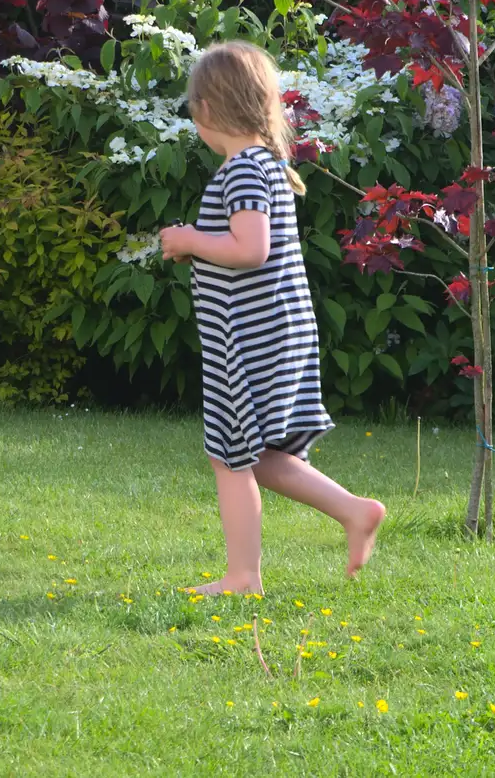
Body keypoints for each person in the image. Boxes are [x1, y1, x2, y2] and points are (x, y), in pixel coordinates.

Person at [159, 41, 385, 594]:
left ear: (207, 109)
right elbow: (247, 245)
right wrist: (202, 245)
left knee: (229, 457)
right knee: (260, 456)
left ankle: (242, 576)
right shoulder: (268, 165)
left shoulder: (241, 170)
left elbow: (251, 249)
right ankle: (354, 511)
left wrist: (190, 238)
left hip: (249, 340)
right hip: (272, 333)